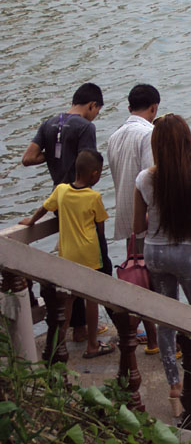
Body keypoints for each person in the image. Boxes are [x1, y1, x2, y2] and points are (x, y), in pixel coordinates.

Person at [132, 114, 191, 419]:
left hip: (155, 255)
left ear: (156, 144)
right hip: (186, 256)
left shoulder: (144, 179)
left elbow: (138, 226)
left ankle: (174, 387)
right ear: (186, 143)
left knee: (166, 319)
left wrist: (156, 216)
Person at [21, 83, 105, 343]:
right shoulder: (85, 127)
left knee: (70, 268)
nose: (95, 116)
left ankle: (78, 329)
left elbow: (28, 158)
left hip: (61, 202)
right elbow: (86, 167)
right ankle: (100, 327)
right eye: (97, 111)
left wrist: (52, 157)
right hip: (81, 202)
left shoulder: (48, 124)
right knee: (98, 270)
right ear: (91, 105)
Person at [20, 149, 115, 359]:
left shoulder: (62, 190)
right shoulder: (94, 197)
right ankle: (92, 344)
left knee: (68, 301)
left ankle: (59, 343)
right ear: (94, 174)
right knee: (92, 299)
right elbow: (100, 229)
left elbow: (44, 208)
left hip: (68, 255)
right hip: (90, 256)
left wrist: (31, 221)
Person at [107, 84, 160, 354]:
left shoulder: (114, 136)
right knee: (153, 282)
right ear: (154, 108)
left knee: (138, 279)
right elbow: (151, 179)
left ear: (130, 108)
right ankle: (156, 341)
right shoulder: (149, 134)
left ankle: (151, 339)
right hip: (147, 221)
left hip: (126, 220)